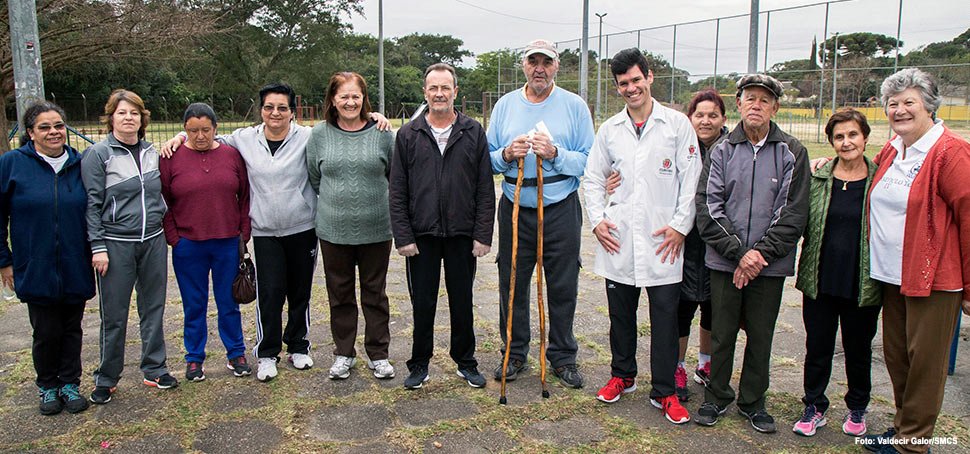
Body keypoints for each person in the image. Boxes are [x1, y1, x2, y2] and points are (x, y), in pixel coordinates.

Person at [163, 83, 389, 383]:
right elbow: (208, 136)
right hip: (266, 230)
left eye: (282, 108)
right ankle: (267, 352)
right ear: (261, 111)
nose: (275, 113)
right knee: (269, 294)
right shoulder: (244, 138)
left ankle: (298, 345)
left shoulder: (309, 136)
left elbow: (338, 138)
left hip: (302, 226)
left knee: (300, 292)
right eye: (269, 107)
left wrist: (374, 117)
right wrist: (180, 136)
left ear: (292, 112)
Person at [582, 48, 699, 425]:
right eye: (623, 84)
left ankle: (665, 391)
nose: (631, 89)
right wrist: (598, 220)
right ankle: (623, 376)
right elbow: (593, 178)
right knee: (621, 315)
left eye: (635, 80)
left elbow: (691, 180)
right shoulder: (611, 130)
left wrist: (681, 226)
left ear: (649, 76)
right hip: (619, 239)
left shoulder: (677, 125)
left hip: (663, 240)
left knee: (665, 319)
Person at [859, 68, 970, 454]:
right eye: (893, 104)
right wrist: (829, 165)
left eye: (909, 103)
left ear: (930, 107)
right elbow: (867, 175)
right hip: (893, 276)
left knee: (925, 365)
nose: (900, 110)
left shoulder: (949, 152)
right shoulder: (894, 148)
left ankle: (913, 444)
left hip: (935, 280)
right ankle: (904, 426)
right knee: (898, 357)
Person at [693, 74, 810, 433]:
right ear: (739, 105)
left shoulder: (792, 151)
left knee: (761, 336)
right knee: (723, 332)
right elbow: (709, 208)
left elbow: (792, 212)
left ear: (775, 107)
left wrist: (758, 256)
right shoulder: (722, 150)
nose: (756, 105)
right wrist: (739, 253)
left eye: (764, 100)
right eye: (750, 99)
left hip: (768, 268)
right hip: (725, 262)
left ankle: (753, 401)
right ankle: (716, 397)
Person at [487, 39, 594, 389]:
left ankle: (563, 356)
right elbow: (485, 158)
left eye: (546, 62)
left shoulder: (574, 106)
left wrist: (556, 153)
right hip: (517, 205)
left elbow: (589, 160)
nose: (539, 68)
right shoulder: (505, 106)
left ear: (556, 66)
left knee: (563, 283)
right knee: (513, 282)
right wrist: (505, 153)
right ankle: (514, 352)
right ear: (523, 66)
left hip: (561, 204)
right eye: (533, 61)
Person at [610, 88, 729, 401]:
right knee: (680, 309)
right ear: (690, 119)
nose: (705, 121)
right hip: (677, 243)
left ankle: (706, 364)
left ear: (724, 119)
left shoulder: (729, 149)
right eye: (699, 115)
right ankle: (673, 367)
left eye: (712, 115)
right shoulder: (677, 139)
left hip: (716, 240)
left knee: (713, 308)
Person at [389, 63, 495, 390]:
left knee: (462, 302)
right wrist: (403, 236)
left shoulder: (473, 131)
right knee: (423, 303)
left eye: (445, 88)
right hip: (422, 237)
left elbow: (484, 188)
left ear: (455, 92)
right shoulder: (408, 134)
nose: (439, 93)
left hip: (462, 236)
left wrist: (482, 235)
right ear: (425, 92)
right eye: (433, 88)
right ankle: (419, 363)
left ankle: (466, 361)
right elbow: (398, 190)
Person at [82, 89, 178, 404]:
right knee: (115, 314)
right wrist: (98, 246)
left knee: (153, 307)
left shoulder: (153, 151)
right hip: (115, 243)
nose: (128, 118)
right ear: (111, 117)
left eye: (134, 113)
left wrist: (178, 135)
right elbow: (92, 205)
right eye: (122, 113)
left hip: (152, 240)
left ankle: (154, 368)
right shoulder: (99, 154)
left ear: (142, 118)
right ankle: (107, 377)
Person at [0, 102, 95, 415]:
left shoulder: (80, 164)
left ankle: (69, 383)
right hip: (35, 263)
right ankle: (47, 386)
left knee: (72, 327)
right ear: (30, 132)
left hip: (74, 261)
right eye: (44, 127)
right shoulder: (12, 164)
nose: (53, 132)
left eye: (58, 125)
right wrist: (4, 260)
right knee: (45, 330)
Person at [792, 109, 882, 438]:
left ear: (865, 137)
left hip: (862, 283)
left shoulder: (880, 179)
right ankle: (814, 406)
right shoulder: (818, 177)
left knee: (858, 350)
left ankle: (858, 407)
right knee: (817, 347)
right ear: (831, 142)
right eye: (839, 137)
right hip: (820, 279)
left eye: (853, 135)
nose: (847, 142)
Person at [306, 72, 396, 381]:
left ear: (364, 98)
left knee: (375, 293)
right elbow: (315, 178)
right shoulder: (319, 135)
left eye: (355, 96)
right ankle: (344, 353)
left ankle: (378, 354)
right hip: (333, 230)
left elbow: (394, 175)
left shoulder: (382, 132)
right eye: (343, 96)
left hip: (376, 228)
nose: (350, 102)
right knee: (340, 294)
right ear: (332, 99)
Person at [160, 103, 252, 382]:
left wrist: (242, 232)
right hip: (189, 244)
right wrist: (174, 238)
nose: (200, 136)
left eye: (205, 130)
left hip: (226, 241)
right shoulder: (171, 158)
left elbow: (245, 194)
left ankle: (236, 352)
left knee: (228, 302)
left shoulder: (231, 155)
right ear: (184, 129)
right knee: (194, 303)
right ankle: (194, 358)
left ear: (215, 128)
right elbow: (163, 199)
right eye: (192, 130)